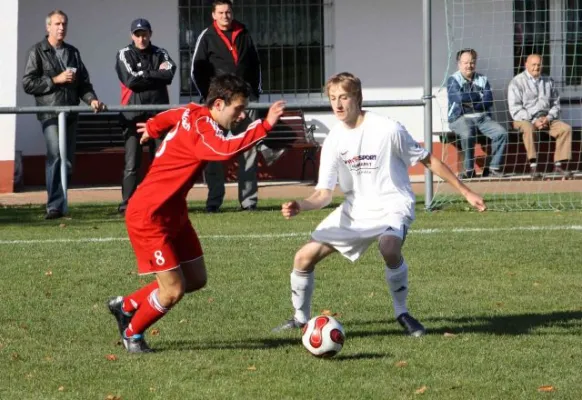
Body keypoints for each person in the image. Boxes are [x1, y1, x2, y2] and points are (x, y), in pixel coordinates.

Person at [272, 72, 486, 337]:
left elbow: (429, 160)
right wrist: (301, 205)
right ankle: (300, 320)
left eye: (344, 97)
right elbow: (323, 194)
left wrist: (465, 192)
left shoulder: (388, 129)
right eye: (333, 98)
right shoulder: (333, 140)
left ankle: (403, 313)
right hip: (356, 209)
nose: (338, 105)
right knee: (303, 257)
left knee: (388, 246)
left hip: (392, 204)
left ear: (358, 98)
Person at [107, 74, 286, 353]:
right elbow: (225, 151)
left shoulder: (193, 111)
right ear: (218, 103)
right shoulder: (204, 128)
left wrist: (152, 128)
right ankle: (133, 333)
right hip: (149, 215)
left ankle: (126, 305)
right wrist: (264, 126)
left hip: (174, 211)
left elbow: (171, 115)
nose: (240, 116)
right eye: (237, 109)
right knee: (172, 290)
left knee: (196, 279)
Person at [191, 0, 273, 213]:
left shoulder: (243, 33)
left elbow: (255, 65)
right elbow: (196, 71)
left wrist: (254, 94)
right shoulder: (206, 37)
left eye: (228, 12)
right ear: (213, 15)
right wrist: (209, 99)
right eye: (221, 12)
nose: (225, 16)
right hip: (217, 105)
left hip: (244, 103)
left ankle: (248, 202)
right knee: (213, 153)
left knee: (248, 149)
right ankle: (214, 202)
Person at [22, 9, 105, 219]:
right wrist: (55, 80)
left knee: (67, 161)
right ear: (48, 26)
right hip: (50, 113)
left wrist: (91, 99)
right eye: (57, 24)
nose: (61, 28)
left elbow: (84, 84)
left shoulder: (73, 52)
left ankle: (59, 201)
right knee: (55, 157)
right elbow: (28, 83)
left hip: (70, 112)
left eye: (64, 24)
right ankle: (54, 205)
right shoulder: (37, 51)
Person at [115, 18, 177, 215]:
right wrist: (155, 74)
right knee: (132, 163)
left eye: (145, 34)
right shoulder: (124, 54)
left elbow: (169, 74)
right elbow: (131, 80)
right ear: (132, 35)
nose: (141, 38)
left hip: (158, 116)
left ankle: (161, 202)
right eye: (138, 34)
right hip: (133, 116)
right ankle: (128, 204)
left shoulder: (160, 53)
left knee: (160, 162)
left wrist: (145, 74)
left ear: (150, 34)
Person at [508, 53, 573, 179]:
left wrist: (548, 118)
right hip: (523, 119)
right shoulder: (516, 82)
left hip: (546, 118)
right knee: (528, 128)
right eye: (533, 65)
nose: (536, 67)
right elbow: (515, 108)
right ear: (526, 65)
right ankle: (533, 167)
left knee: (565, 129)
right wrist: (533, 120)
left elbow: (556, 104)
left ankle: (558, 166)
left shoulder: (548, 81)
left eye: (539, 65)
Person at [447, 48, 508, 179]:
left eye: (472, 62)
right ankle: (469, 170)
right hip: (459, 118)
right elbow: (458, 99)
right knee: (467, 134)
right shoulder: (453, 80)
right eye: (466, 62)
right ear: (459, 64)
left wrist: (471, 102)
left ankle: (493, 168)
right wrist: (477, 97)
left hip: (482, 118)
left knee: (501, 133)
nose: (469, 65)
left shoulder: (483, 79)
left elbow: (488, 100)